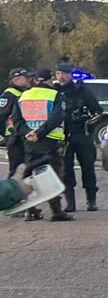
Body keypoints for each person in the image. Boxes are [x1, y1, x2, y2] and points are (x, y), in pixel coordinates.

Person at [14, 70, 72, 222]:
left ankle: (30, 210)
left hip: (29, 142)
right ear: (49, 80)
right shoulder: (54, 95)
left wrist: (28, 133)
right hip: (49, 140)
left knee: (29, 174)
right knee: (52, 175)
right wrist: (39, 133)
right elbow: (57, 117)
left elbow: (16, 120)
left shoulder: (23, 96)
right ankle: (56, 211)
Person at [52, 64, 103, 212]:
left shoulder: (82, 90)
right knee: (66, 171)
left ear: (70, 75)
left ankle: (91, 201)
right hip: (63, 136)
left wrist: (88, 125)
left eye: (64, 74)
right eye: (58, 73)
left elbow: (98, 112)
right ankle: (70, 203)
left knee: (88, 168)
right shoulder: (55, 92)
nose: (61, 77)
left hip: (81, 134)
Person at [3, 67, 31, 174]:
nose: (28, 80)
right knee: (16, 172)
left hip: (23, 136)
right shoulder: (9, 96)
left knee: (25, 171)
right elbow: (1, 117)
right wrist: (6, 136)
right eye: (25, 78)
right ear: (16, 80)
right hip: (14, 139)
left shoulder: (24, 95)